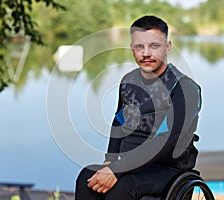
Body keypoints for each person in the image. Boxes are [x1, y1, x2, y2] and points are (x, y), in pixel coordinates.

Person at [75, 15, 202, 200]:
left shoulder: (184, 87)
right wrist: (110, 160)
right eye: (139, 46)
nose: (146, 53)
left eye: (154, 46)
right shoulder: (129, 81)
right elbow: (118, 121)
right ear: (132, 48)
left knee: (122, 188)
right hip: (129, 164)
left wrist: (117, 169)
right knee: (87, 177)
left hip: (166, 169)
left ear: (167, 47)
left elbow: (169, 139)